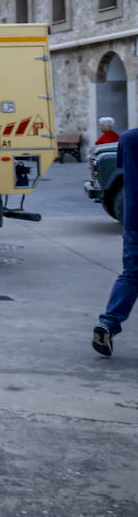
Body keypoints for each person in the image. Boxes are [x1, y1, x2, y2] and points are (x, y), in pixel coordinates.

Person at [94, 128, 138, 357]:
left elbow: (123, 166)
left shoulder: (128, 139)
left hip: (134, 219)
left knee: (131, 275)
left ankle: (108, 323)